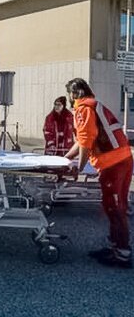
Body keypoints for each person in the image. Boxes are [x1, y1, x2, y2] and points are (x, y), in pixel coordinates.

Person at [64, 78, 133, 268]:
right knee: (115, 205)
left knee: (114, 207)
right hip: (123, 158)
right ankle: (116, 247)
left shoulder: (83, 109)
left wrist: (78, 168)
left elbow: (85, 141)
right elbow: (82, 141)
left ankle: (122, 254)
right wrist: (67, 157)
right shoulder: (94, 105)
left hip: (113, 163)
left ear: (74, 94)